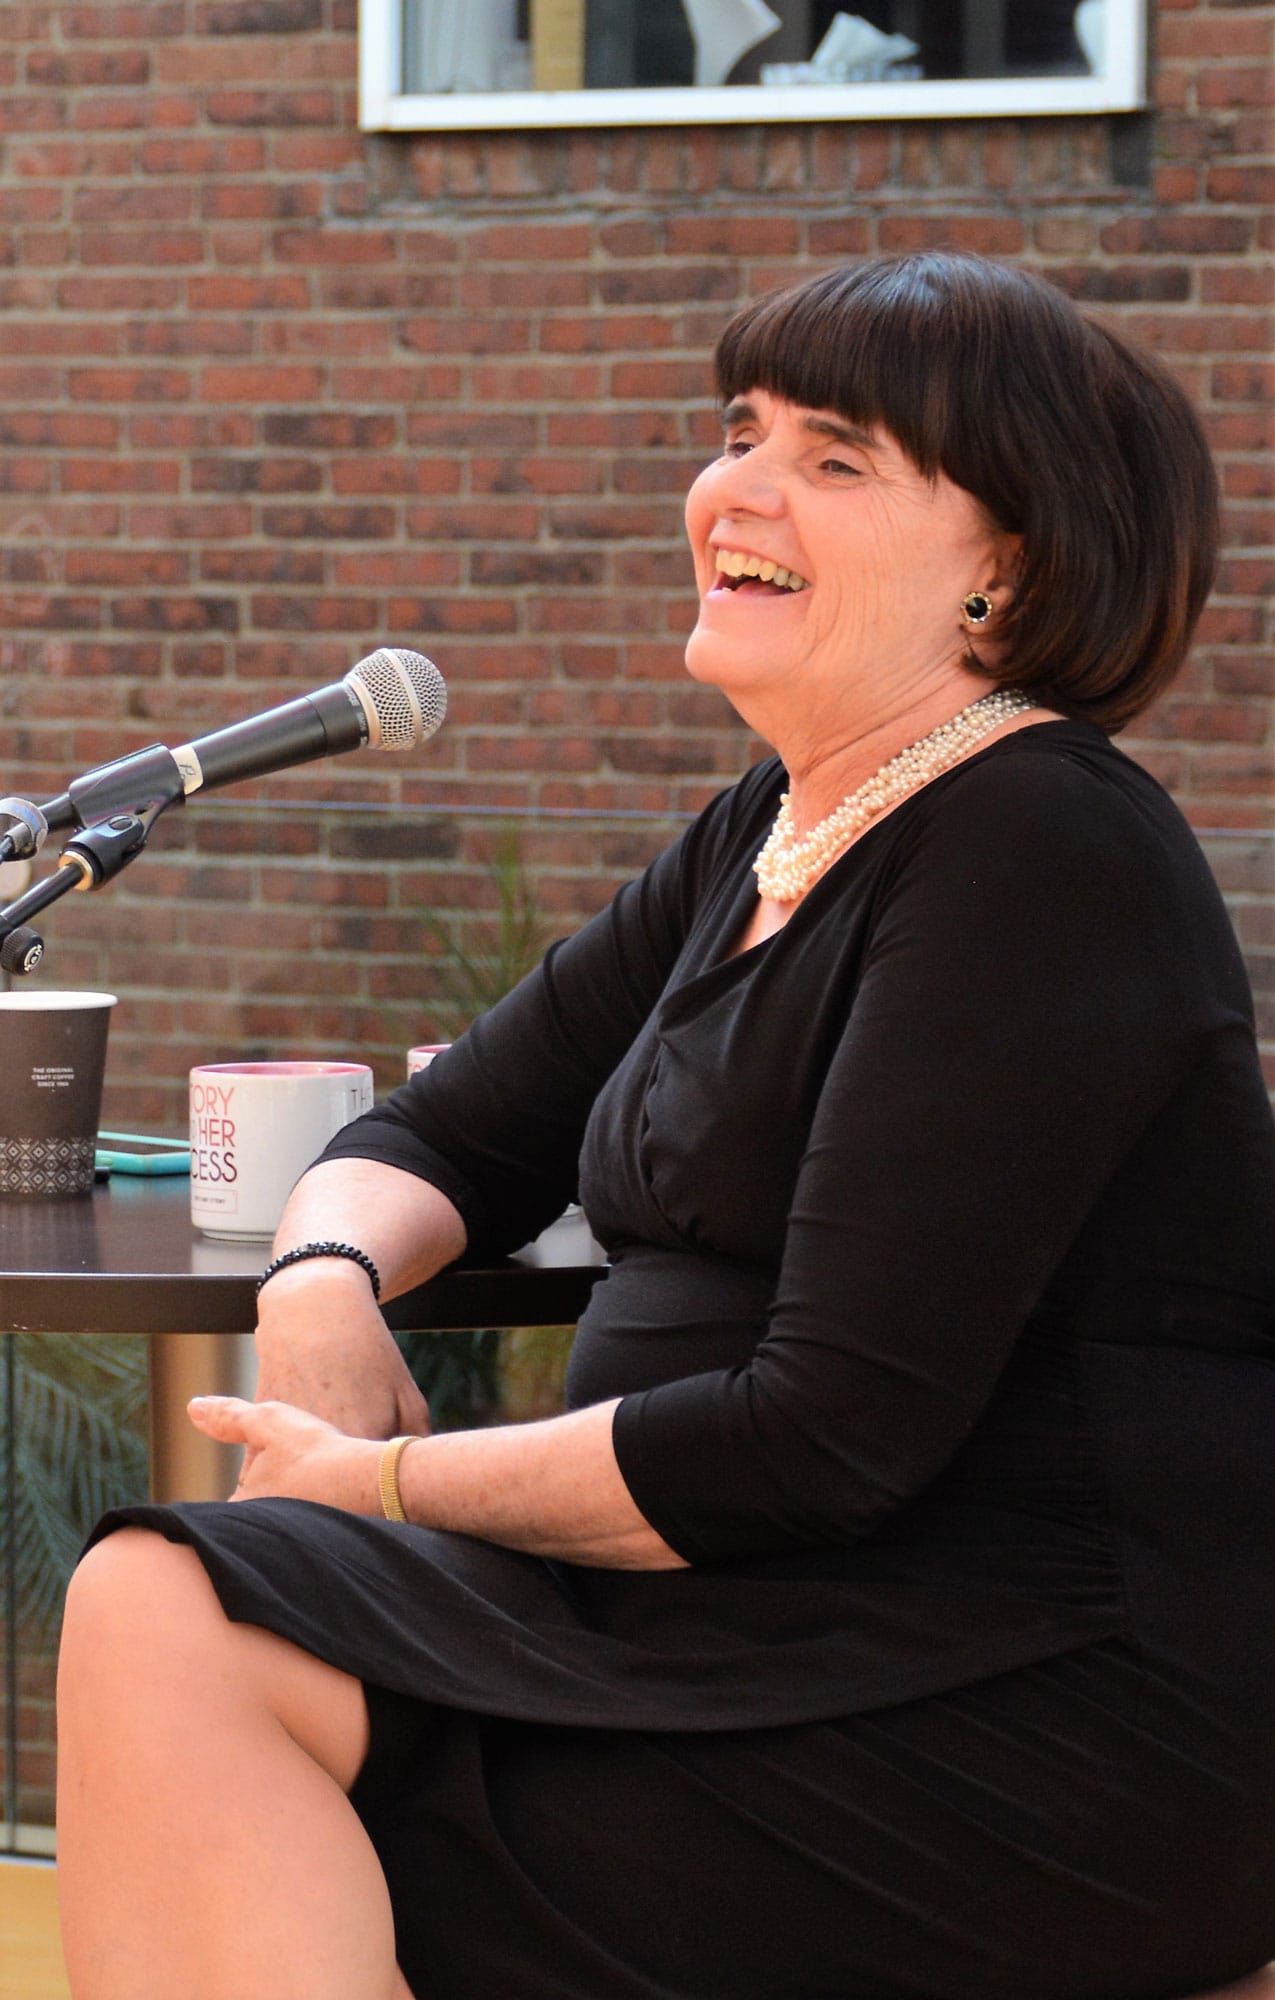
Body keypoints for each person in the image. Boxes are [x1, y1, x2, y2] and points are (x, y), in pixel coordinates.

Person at [58, 254, 1275, 2000]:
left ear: (1005, 567)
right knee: (165, 1606)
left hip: (1025, 1705)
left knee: (208, 1652)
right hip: (725, 1628)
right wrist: (319, 1283)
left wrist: (379, 1483)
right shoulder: (774, 827)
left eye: (835, 458)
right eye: (740, 432)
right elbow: (450, 1133)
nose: (738, 489)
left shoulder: (1040, 849)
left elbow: (816, 1442)